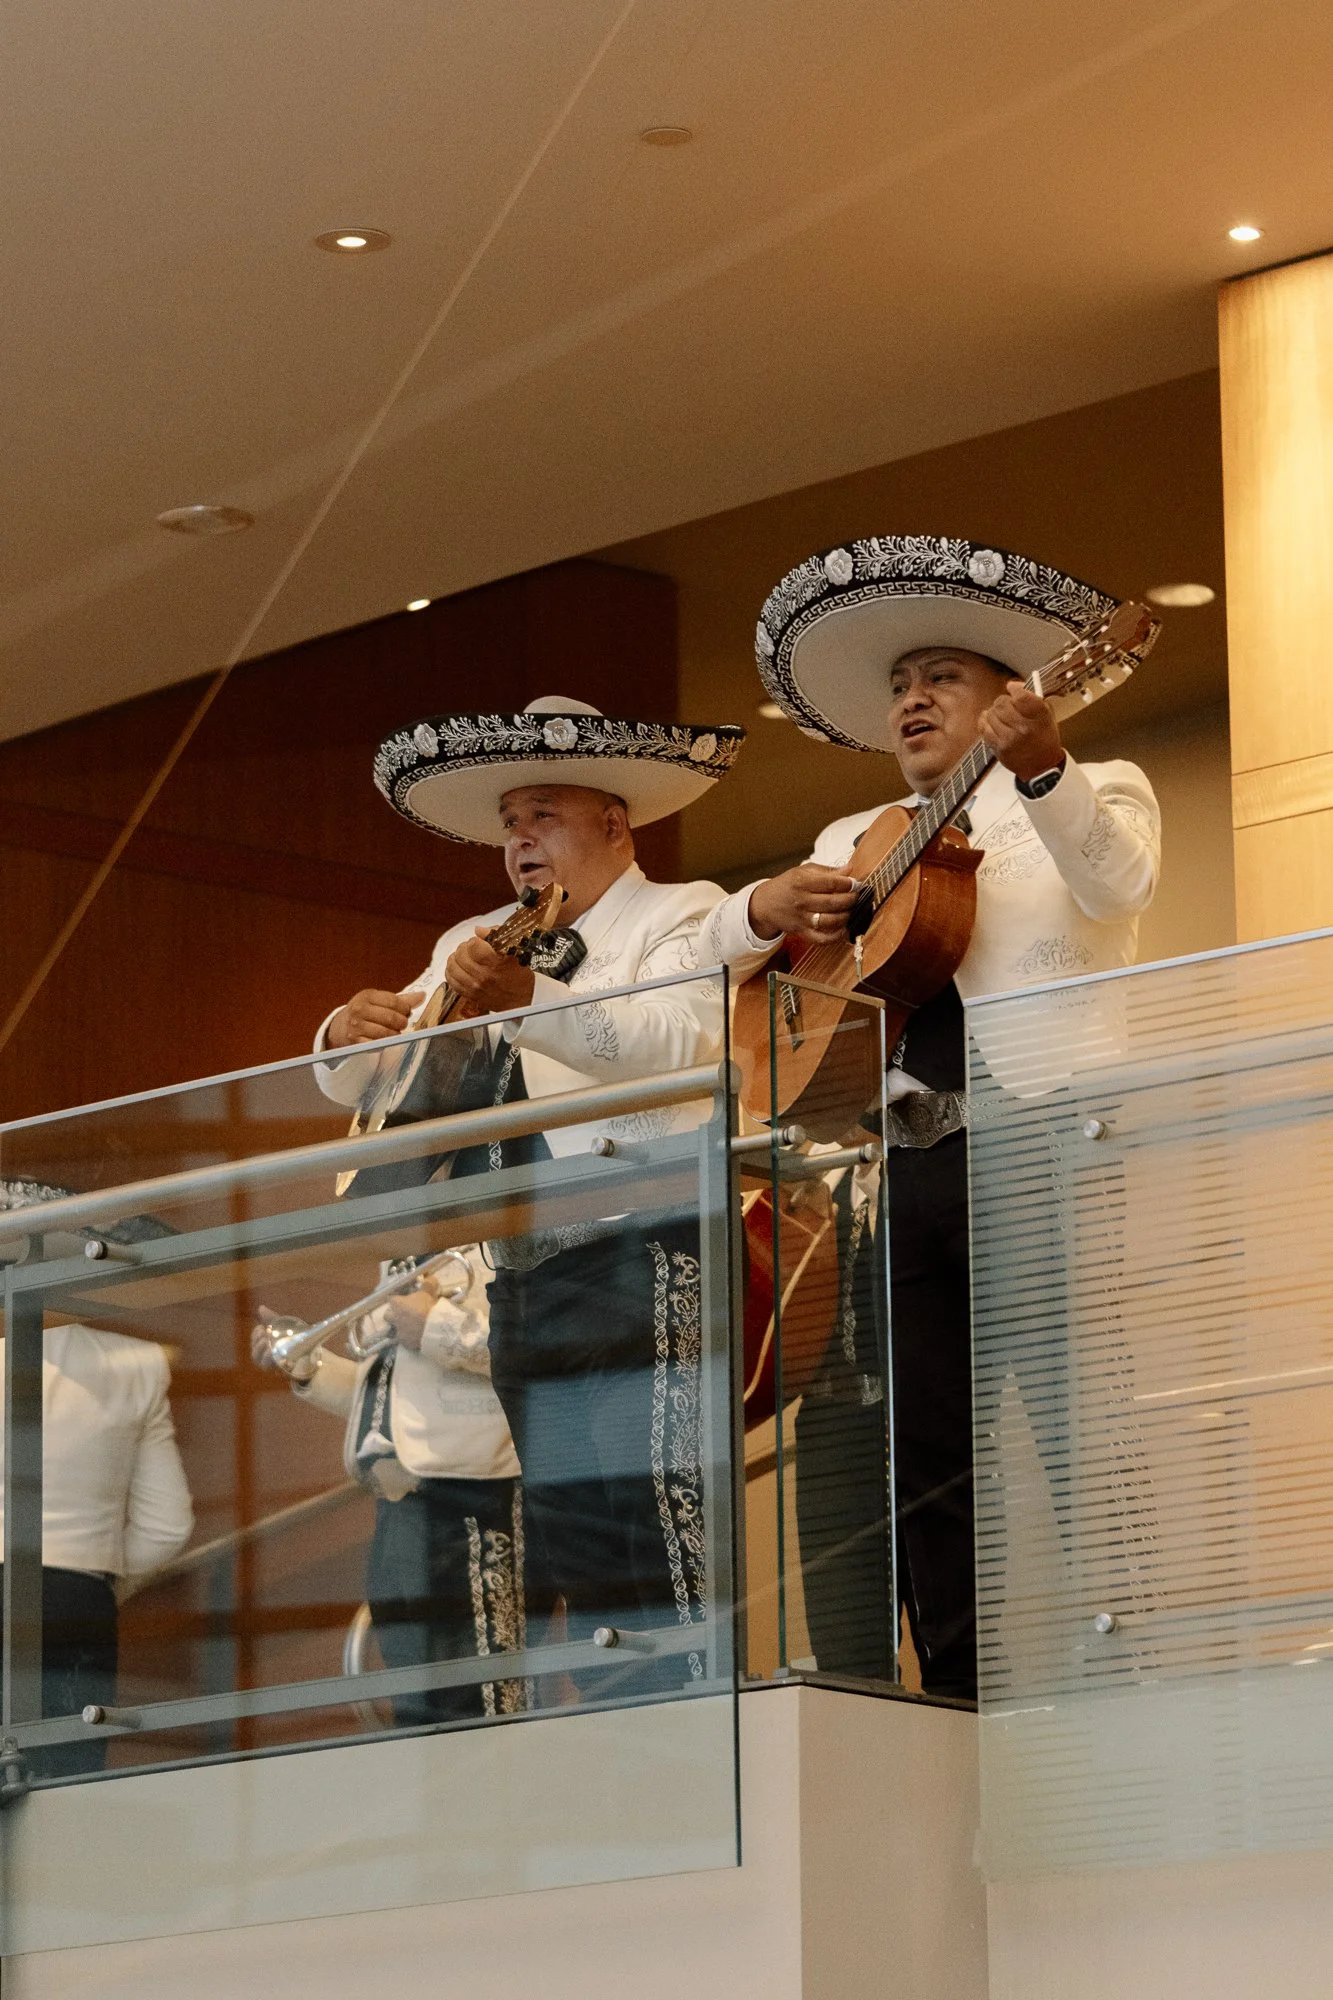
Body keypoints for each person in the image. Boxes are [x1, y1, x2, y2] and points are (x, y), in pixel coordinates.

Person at [703, 537, 1161, 1700]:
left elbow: (1120, 885)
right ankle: (954, 1694)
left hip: (1045, 1143)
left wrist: (1047, 766)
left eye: (941, 676)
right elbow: (752, 990)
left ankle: (1127, 1674)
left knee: (1074, 1423)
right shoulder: (849, 841)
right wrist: (761, 911)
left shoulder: (1095, 781)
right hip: (900, 1168)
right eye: (901, 682)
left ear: (1008, 692)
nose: (911, 697)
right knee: (926, 1451)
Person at [315, 697, 743, 1687]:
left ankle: (697, 1719)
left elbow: (679, 1042)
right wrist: (343, 1031)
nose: (519, 841)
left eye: (541, 814)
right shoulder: (478, 932)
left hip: (646, 1242)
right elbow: (390, 1073)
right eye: (509, 822)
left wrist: (536, 996)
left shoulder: (678, 911)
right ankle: (620, 1725)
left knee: (657, 1505)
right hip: (520, 1270)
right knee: (566, 1523)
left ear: (613, 821)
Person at [252, 1244, 525, 1726]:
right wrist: (308, 1364)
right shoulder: (404, 1260)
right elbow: (392, 1399)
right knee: (419, 1709)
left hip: (476, 1497)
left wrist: (435, 1328)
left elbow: (533, 1349)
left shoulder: (492, 1245)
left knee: (485, 1700)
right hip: (402, 1507)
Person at [0, 1178, 195, 1777]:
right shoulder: (136, 1364)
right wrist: (95, 1565)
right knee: (67, 1787)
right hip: (80, 1599)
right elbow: (169, 1526)